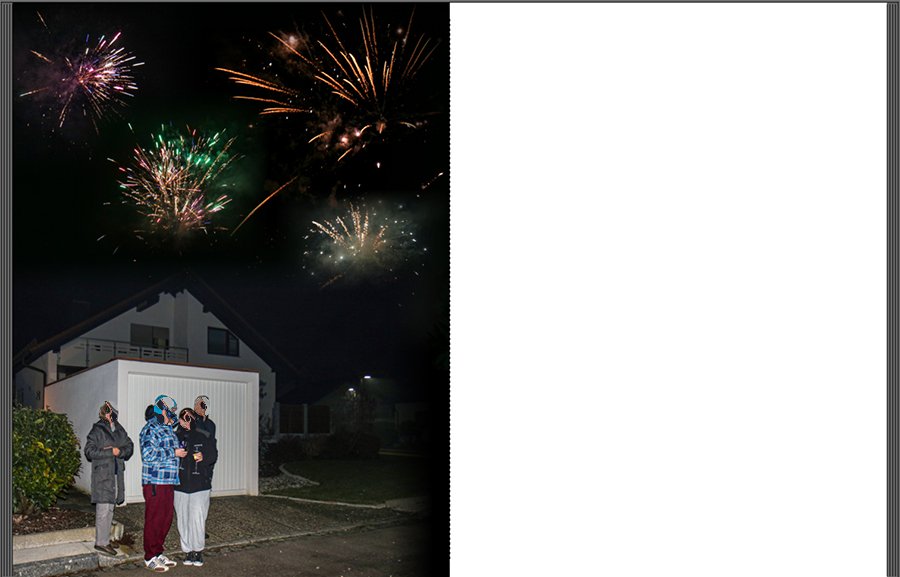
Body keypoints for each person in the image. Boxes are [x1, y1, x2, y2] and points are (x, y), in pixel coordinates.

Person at [139, 395, 186, 573]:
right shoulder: (150, 429)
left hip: (169, 481)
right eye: (171, 409)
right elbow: (148, 454)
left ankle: (158, 552)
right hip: (155, 482)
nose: (173, 412)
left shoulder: (167, 429)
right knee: (154, 519)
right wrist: (174, 452)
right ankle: (149, 557)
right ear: (163, 409)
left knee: (165, 519)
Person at [84, 401, 133, 557]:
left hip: (116, 474)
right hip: (103, 475)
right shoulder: (97, 429)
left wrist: (120, 452)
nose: (111, 414)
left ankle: (106, 539)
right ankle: (101, 543)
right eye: (107, 412)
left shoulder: (119, 429)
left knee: (110, 509)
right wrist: (110, 452)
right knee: (103, 510)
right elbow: (89, 451)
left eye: (112, 411)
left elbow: (129, 446)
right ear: (103, 414)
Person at [174, 408, 218, 567]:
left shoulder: (204, 435)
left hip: (200, 486)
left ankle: (198, 551)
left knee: (197, 519)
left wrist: (203, 457)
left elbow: (213, 455)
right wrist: (174, 453)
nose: (185, 421)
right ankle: (188, 551)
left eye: (188, 418)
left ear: (193, 418)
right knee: (183, 519)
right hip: (179, 486)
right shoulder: (175, 436)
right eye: (182, 418)